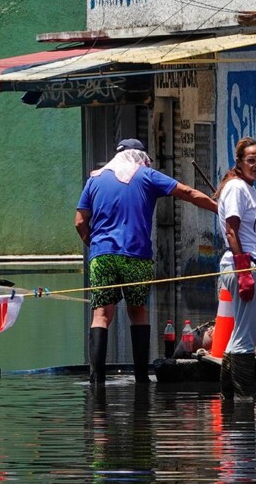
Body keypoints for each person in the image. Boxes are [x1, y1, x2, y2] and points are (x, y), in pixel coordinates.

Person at [75, 138, 217, 384]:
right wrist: (220, 209)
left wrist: (95, 246)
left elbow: (79, 221)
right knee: (138, 312)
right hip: (136, 256)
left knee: (101, 315)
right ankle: (142, 377)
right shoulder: (147, 175)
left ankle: (96, 380)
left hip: (102, 256)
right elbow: (188, 192)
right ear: (141, 157)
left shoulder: (95, 180)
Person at [215, 137, 256, 401]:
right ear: (239, 162)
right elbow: (231, 231)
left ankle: (229, 402)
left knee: (239, 335)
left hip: (251, 264)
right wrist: (243, 271)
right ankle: (245, 401)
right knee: (245, 340)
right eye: (251, 160)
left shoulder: (248, 188)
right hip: (241, 264)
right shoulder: (237, 187)